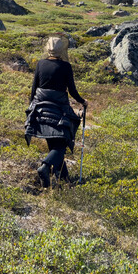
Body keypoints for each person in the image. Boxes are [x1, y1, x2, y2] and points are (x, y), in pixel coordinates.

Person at [25, 36, 88, 187]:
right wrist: (83, 101)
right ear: (62, 50)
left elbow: (34, 89)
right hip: (58, 111)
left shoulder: (41, 64)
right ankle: (45, 167)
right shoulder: (65, 66)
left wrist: (31, 109)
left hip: (40, 109)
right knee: (61, 144)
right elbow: (72, 90)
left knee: (54, 144)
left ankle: (63, 179)